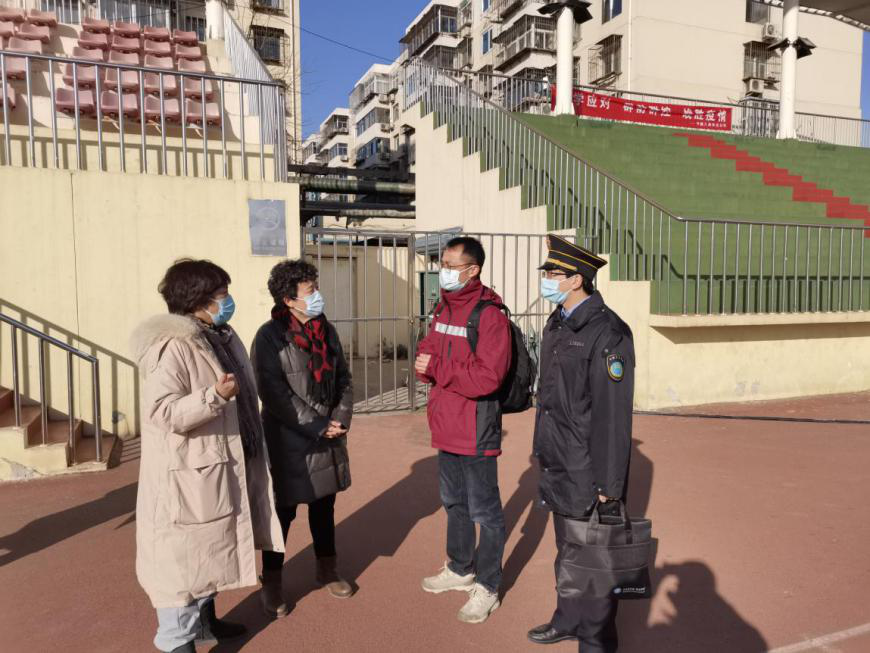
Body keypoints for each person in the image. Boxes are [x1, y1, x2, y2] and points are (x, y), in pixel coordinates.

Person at [131, 259, 284, 653]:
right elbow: (164, 412)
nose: (227, 301)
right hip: (188, 475)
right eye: (220, 295)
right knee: (181, 570)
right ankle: (180, 641)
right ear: (196, 300)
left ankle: (205, 622)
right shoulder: (173, 347)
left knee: (209, 553)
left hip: (218, 464)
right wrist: (214, 397)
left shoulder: (220, 336)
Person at [526, 235, 635, 652]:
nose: (547, 279)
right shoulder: (558, 322)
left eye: (554, 273)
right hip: (559, 460)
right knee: (568, 551)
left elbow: (613, 417)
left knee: (594, 562)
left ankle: (596, 642)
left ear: (576, 280)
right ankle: (568, 619)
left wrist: (609, 485)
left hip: (587, 470)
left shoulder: (608, 332)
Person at [414, 236, 512, 624]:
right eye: (442, 264)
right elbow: (427, 347)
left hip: (475, 427)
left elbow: (488, 377)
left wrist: (437, 367)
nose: (444, 271)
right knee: (454, 502)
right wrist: (426, 362)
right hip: (446, 423)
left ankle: (488, 586)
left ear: (473, 270)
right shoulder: (443, 306)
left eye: (451, 266)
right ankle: (459, 568)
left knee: (485, 512)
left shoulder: (490, 316)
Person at [251, 259, 354, 617]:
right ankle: (272, 582)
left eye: (316, 287)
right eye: (310, 290)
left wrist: (339, 419)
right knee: (283, 512)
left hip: (327, 434)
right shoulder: (270, 337)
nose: (317, 295)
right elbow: (273, 393)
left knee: (324, 507)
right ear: (288, 299)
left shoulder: (327, 330)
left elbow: (344, 378)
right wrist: (316, 424)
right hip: (288, 439)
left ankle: (328, 570)